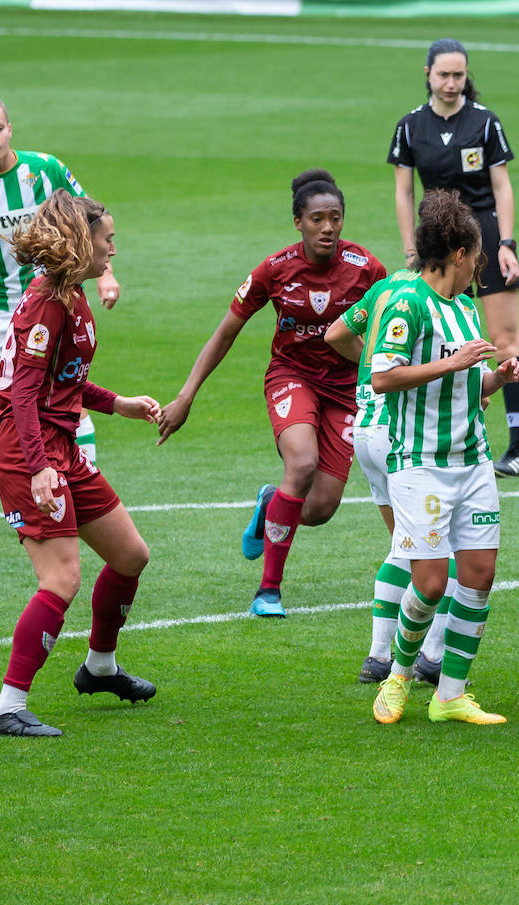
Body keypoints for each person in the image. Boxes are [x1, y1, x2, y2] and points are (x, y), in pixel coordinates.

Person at [157, 169, 386, 617]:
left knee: (319, 508)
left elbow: (389, 329)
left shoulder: (367, 269)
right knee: (301, 465)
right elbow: (225, 334)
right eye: (317, 218)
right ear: (298, 222)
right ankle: (268, 592)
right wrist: (186, 396)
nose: (327, 228)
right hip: (292, 376)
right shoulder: (275, 269)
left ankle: (270, 504)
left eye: (335, 218)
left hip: (344, 389)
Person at [0, 190, 158, 738]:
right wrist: (38, 468)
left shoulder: (71, 294)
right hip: (28, 452)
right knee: (61, 578)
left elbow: (66, 382)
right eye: (107, 239)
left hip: (61, 449)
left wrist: (117, 403)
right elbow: (21, 395)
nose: (113, 248)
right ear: (82, 240)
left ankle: (99, 667)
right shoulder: (47, 302)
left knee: (130, 555)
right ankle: (8, 707)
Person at [367, 189, 519, 726]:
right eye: (477, 253)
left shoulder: (462, 309)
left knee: (478, 575)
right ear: (459, 252)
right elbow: (383, 376)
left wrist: (495, 378)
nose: (480, 263)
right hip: (419, 464)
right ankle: (399, 675)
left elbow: (466, 385)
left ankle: (450, 694)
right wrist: (455, 361)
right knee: (432, 583)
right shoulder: (409, 302)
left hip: (473, 461)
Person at [0, 94, 119, 533]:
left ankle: (75, 489)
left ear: (10, 128)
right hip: (1, 309)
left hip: (55, 298)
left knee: (67, 395)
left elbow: (95, 224)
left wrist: (106, 274)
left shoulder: (45, 169)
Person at [387, 38, 519, 478]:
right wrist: (411, 245)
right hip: (435, 240)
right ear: (427, 73)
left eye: (459, 75)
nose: (452, 83)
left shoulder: (486, 123)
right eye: (444, 74)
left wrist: (506, 243)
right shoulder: (410, 126)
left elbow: (501, 186)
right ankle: (440, 435)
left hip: (485, 235)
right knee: (434, 336)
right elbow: (403, 191)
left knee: (505, 340)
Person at [325, 263, 458, 686]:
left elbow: (335, 335)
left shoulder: (383, 288)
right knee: (447, 547)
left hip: (365, 429)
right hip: (400, 431)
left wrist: (368, 360)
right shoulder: (427, 298)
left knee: (405, 542)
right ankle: (432, 659)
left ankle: (378, 658)